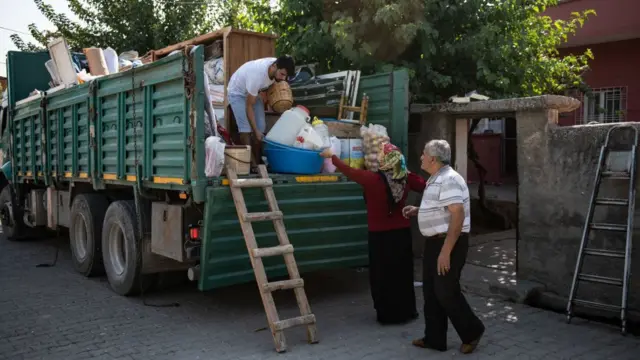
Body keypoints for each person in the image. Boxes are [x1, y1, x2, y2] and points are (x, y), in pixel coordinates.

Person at [320, 142, 424, 324]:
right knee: (402, 274)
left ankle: (387, 315)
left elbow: (349, 171)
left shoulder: (371, 179)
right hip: (402, 235)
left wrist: (332, 157)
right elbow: (425, 185)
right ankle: (407, 312)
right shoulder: (405, 178)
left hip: (380, 237)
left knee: (382, 276)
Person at [402, 139, 485, 354]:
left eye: (423, 154)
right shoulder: (436, 178)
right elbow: (442, 208)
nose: (420, 157)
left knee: (445, 290)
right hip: (435, 242)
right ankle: (434, 339)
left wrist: (446, 252)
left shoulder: (449, 179)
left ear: (432, 158)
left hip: (449, 242)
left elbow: (457, 214)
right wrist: (418, 210)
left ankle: (472, 331)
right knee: (431, 291)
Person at [227, 55, 295, 170]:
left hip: (253, 92)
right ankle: (252, 164)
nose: (283, 78)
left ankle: (258, 160)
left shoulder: (278, 66)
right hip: (237, 93)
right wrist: (256, 131)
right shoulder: (256, 76)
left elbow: (269, 87)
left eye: (286, 76)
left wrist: (259, 130)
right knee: (246, 129)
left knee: (262, 126)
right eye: (282, 74)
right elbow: (249, 106)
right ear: (274, 67)